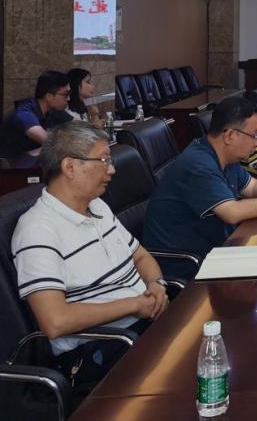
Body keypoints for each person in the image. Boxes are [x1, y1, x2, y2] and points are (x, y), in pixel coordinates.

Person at [12, 121, 169, 388]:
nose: (112, 169)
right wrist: (134, 305)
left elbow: (141, 256)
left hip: (143, 324)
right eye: (104, 160)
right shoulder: (37, 230)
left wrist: (156, 284)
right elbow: (55, 321)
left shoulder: (97, 206)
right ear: (70, 167)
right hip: (102, 348)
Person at [142, 97, 257, 273]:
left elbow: (253, 187)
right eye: (255, 135)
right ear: (230, 136)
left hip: (220, 246)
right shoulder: (198, 164)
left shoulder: (226, 157)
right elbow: (232, 212)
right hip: (188, 261)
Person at [0, 70, 72, 157]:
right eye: (65, 94)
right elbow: (50, 142)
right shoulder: (24, 114)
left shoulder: (54, 111)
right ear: (49, 96)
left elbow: (77, 130)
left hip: (31, 162)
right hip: (10, 163)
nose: (68, 99)